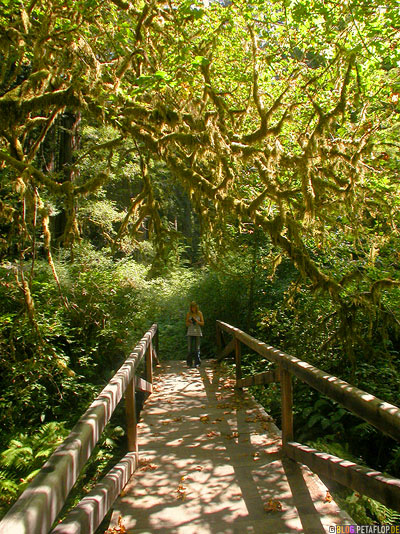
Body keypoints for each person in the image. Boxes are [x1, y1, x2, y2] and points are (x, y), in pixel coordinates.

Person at [185, 301, 204, 368]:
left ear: (196, 307)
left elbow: (202, 323)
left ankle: (197, 363)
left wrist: (197, 321)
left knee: (197, 348)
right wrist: (189, 321)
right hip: (190, 332)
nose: (193, 309)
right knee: (190, 348)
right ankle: (189, 363)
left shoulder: (199, 313)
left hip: (198, 332)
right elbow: (186, 324)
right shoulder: (188, 314)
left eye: (194, 307)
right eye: (192, 307)